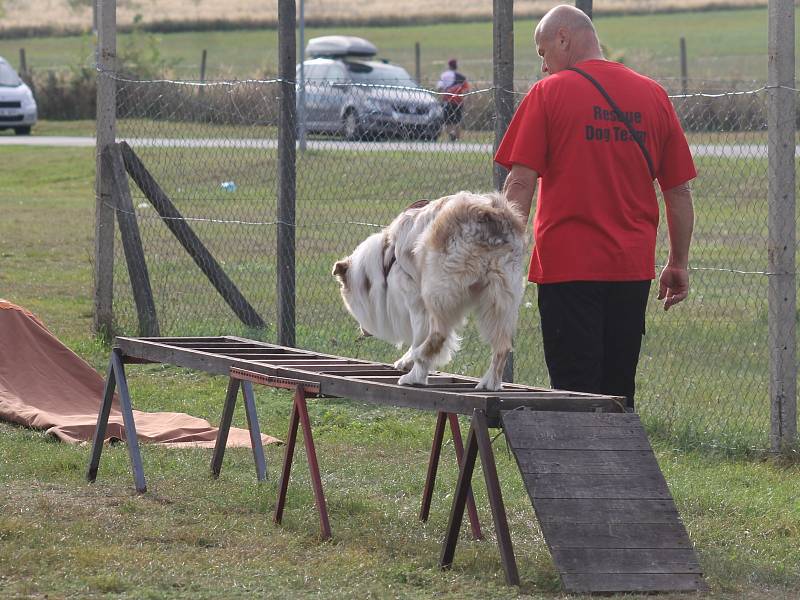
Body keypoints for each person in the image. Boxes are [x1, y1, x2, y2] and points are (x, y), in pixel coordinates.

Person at [495, 4, 696, 410]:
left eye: (542, 53)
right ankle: (620, 474)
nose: (543, 66)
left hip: (567, 270)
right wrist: (677, 261)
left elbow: (519, 182)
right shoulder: (653, 94)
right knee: (618, 394)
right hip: (630, 270)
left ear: (564, 39)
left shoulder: (548, 94)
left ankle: (578, 475)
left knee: (573, 395)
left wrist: (501, 252)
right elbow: (678, 192)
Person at [436, 58, 470, 141]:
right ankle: (457, 139)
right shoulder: (461, 77)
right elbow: (467, 90)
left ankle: (451, 134)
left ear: (449, 66)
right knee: (457, 121)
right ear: (456, 66)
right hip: (458, 102)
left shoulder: (444, 75)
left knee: (447, 121)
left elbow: (439, 88)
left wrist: (443, 95)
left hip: (447, 101)